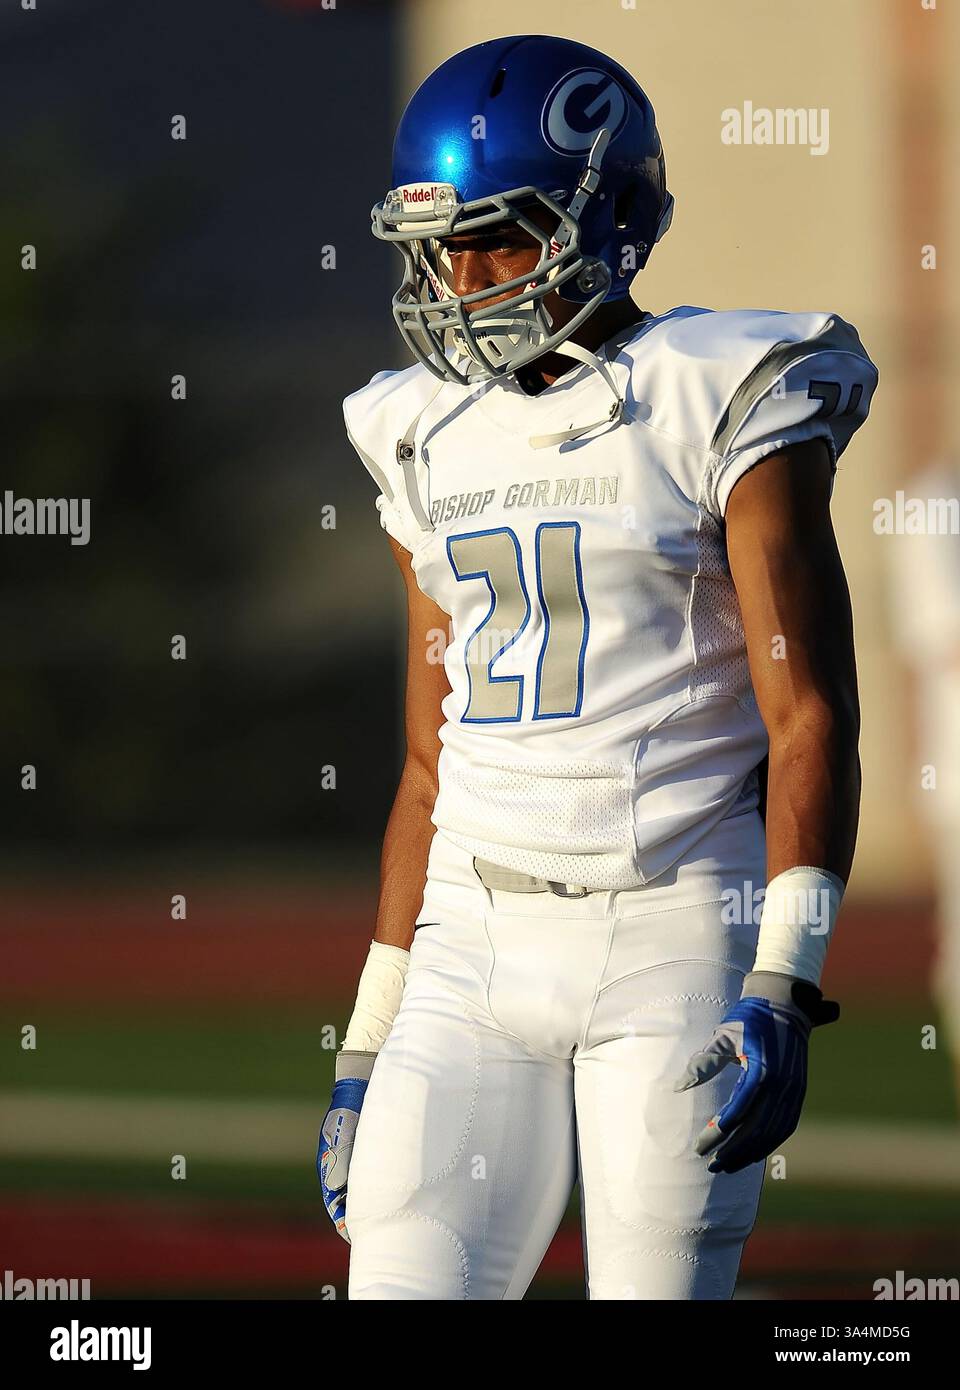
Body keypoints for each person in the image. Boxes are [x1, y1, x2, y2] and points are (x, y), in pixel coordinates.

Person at [318, 33, 877, 1300]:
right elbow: (427, 759)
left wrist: (786, 976)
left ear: (604, 222)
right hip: (467, 941)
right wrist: (366, 1038)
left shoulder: (717, 385)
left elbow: (809, 717)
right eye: (438, 247)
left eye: (498, 238)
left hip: (675, 917)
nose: (460, 279)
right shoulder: (420, 429)